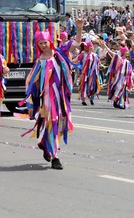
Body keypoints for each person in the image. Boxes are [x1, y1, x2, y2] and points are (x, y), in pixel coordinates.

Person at [22, 18, 83, 169]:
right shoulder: (39, 62)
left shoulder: (60, 52)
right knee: (52, 123)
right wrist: (30, 104)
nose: (43, 45)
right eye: (40, 43)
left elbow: (76, 43)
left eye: (45, 42)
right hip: (47, 101)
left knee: (60, 126)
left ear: (50, 41)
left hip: (60, 98)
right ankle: (55, 157)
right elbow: (31, 83)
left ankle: (45, 144)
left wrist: (79, 28)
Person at [104, 44, 134, 109]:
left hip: (124, 78)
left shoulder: (128, 62)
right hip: (118, 78)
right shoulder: (120, 59)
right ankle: (115, 99)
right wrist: (105, 46)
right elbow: (112, 53)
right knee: (118, 88)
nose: (128, 52)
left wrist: (133, 79)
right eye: (126, 51)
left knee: (123, 90)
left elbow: (130, 72)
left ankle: (120, 102)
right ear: (124, 52)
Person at [77, 41, 101, 106]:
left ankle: (91, 99)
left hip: (93, 73)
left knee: (92, 86)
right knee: (84, 85)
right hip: (84, 73)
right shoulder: (83, 54)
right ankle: (83, 99)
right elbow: (76, 60)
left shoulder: (95, 55)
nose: (91, 48)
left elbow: (98, 63)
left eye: (92, 46)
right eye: (90, 46)